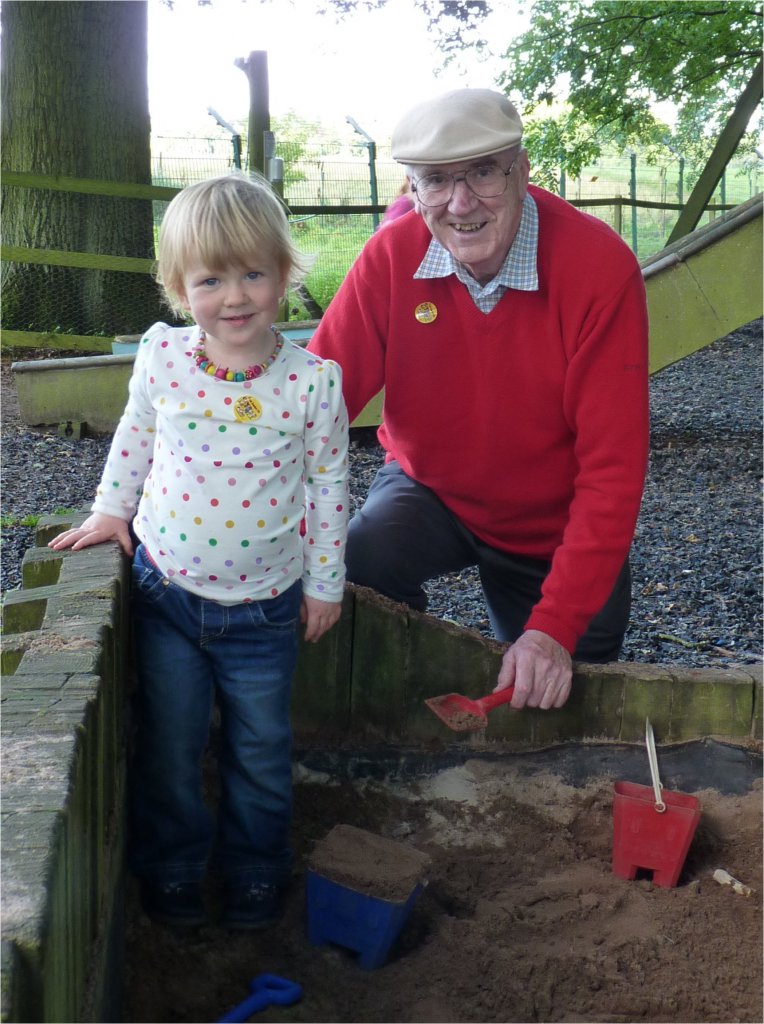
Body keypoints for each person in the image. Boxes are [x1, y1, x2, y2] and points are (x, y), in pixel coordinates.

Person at [49, 172, 349, 929]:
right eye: (212, 279)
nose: (236, 296)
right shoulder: (163, 357)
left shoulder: (312, 382)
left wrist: (326, 586)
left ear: (284, 273)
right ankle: (174, 870)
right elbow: (136, 436)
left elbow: (328, 488)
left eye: (254, 273)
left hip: (266, 612)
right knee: (172, 749)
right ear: (180, 288)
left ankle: (254, 871)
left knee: (260, 753)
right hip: (169, 600)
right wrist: (111, 511)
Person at [308, 88, 649, 713]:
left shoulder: (599, 268)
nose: (460, 204)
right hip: (431, 489)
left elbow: (613, 468)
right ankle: (403, 697)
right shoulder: (390, 257)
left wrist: (552, 629)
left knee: (566, 697)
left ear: (520, 171)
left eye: (484, 173)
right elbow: (307, 406)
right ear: (412, 190)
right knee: (356, 562)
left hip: (555, 518)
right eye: (436, 181)